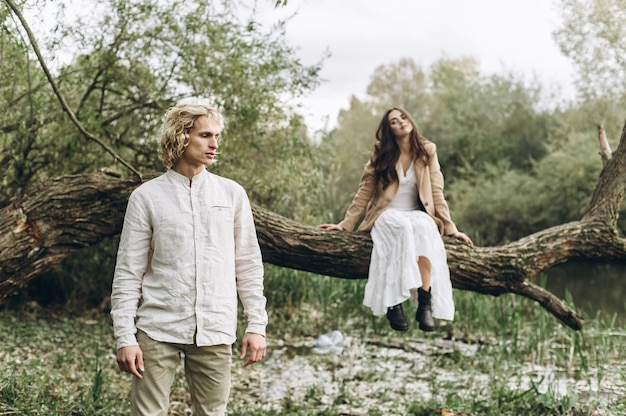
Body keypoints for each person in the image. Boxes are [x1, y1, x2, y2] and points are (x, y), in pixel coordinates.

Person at [110, 99, 268, 415]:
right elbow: (129, 270)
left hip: (215, 327)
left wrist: (257, 325)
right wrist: (124, 337)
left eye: (217, 136)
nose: (215, 144)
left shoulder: (232, 194)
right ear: (181, 136)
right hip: (158, 328)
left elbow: (248, 263)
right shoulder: (146, 197)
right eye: (205, 135)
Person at [320, 107, 472, 332]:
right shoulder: (381, 154)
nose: (401, 122)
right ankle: (395, 304)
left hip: (415, 212)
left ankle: (424, 304)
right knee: (402, 228)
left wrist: (450, 228)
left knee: (424, 226)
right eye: (394, 121)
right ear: (388, 130)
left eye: (403, 117)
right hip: (386, 214)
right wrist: (346, 224)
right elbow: (365, 191)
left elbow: (437, 192)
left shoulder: (427, 150)